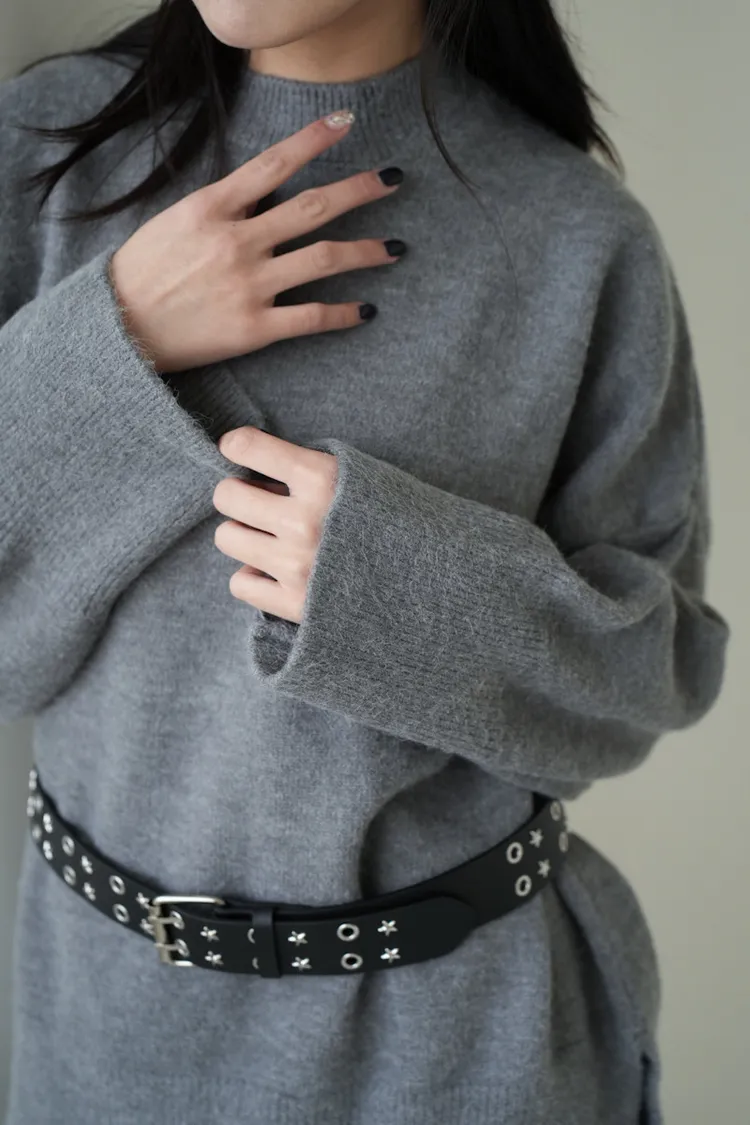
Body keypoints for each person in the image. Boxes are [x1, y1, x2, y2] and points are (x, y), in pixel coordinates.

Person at [0, 1, 730, 1122]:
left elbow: (654, 679)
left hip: (462, 1054)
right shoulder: (46, 151)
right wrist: (119, 334)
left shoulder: (578, 237)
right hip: (102, 1033)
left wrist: (391, 585)